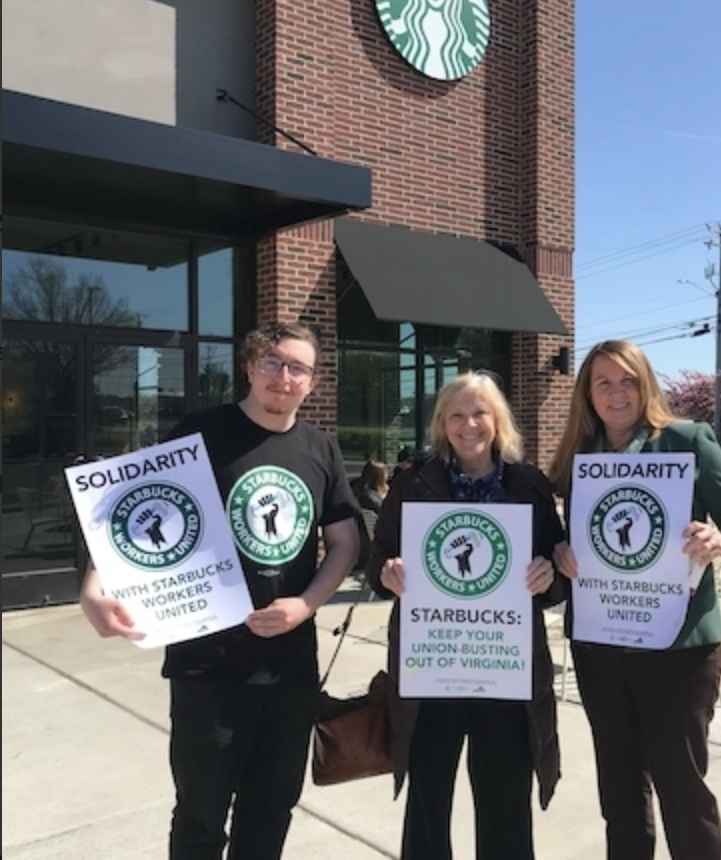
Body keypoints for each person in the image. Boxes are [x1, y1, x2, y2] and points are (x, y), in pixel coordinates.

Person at [79, 321, 361, 860]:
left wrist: (306, 605)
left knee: (271, 807)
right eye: (273, 362)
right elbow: (135, 510)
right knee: (200, 817)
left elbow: (345, 541)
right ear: (250, 367)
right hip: (206, 664)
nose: (284, 376)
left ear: (313, 381)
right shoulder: (200, 432)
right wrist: (94, 584)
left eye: (298, 367)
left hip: (289, 669)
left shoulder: (321, 448)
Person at [547, 339, 721, 860]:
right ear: (588, 394)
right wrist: (559, 550)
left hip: (678, 649)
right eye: (603, 383)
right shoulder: (581, 458)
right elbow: (574, 536)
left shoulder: (687, 441)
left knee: (683, 793)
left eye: (627, 381)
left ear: (646, 385)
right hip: (601, 649)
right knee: (618, 793)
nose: (616, 393)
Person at [367, 371, 568, 860]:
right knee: (428, 802)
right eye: (456, 414)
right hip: (434, 665)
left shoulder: (528, 485)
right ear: (442, 424)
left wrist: (549, 577)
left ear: (497, 420)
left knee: (505, 802)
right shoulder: (414, 483)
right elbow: (378, 562)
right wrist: (388, 574)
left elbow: (558, 568)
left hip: (504, 665)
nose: (468, 424)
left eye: (479, 412)